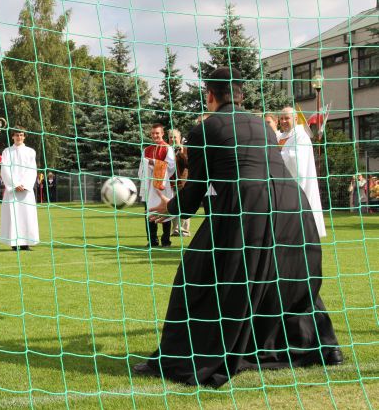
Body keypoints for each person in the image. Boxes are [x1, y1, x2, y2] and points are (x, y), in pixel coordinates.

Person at [132, 67, 341, 387]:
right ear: (241, 95)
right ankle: (314, 346)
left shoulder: (205, 129)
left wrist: (170, 208)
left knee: (196, 277)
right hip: (293, 208)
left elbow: (196, 190)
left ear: (210, 95)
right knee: (286, 278)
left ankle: (181, 356)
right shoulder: (262, 126)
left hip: (249, 207)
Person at [278, 106, 327, 237]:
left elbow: (297, 161)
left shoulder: (301, 136)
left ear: (295, 118)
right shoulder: (280, 136)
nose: (283, 121)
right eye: (281, 118)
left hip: (299, 186)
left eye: (286, 118)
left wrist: (275, 157)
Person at [0, 127, 40, 251]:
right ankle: (14, 243)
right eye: (17, 135)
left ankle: (25, 243)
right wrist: (15, 184)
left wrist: (25, 184)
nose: (19, 137)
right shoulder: (7, 151)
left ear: (24, 136)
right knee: (13, 216)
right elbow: (5, 169)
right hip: (13, 190)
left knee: (27, 216)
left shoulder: (30, 151)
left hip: (26, 191)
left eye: (21, 135)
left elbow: (32, 170)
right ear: (12, 136)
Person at [138, 123, 176, 247]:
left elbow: (170, 166)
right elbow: (141, 169)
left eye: (157, 133)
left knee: (165, 210)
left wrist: (153, 162)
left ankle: (166, 240)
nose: (155, 135)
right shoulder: (146, 150)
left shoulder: (167, 148)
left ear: (162, 134)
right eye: (153, 133)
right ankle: (152, 240)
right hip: (149, 186)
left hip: (161, 186)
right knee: (149, 211)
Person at [168, 129, 190, 237]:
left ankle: (185, 230)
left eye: (175, 137)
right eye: (171, 137)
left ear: (179, 138)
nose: (172, 139)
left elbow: (188, 164)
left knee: (185, 205)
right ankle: (175, 229)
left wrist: (181, 153)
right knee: (174, 206)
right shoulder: (166, 149)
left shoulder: (185, 149)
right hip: (171, 183)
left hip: (183, 182)